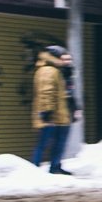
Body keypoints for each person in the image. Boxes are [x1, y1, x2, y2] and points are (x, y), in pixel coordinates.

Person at [31, 45, 74, 175]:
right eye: (62, 58)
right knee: (43, 143)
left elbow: (64, 92)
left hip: (58, 114)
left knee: (57, 144)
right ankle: (33, 169)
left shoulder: (55, 70)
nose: (64, 61)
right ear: (55, 57)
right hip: (51, 115)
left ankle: (55, 166)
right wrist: (47, 112)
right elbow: (47, 93)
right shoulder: (48, 71)